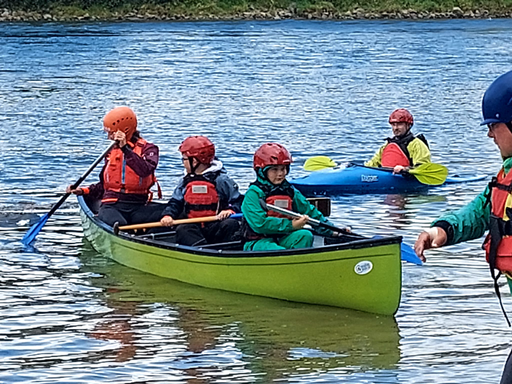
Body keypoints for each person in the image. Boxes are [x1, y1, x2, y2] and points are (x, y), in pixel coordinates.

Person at [413, 70, 512, 384]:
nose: (490, 135)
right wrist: (439, 231)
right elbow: (480, 211)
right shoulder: (507, 174)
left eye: (494, 126)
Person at [67, 106, 162, 227]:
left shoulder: (148, 149)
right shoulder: (111, 151)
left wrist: (125, 149)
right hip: (112, 205)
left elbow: (145, 170)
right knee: (119, 223)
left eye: (111, 133)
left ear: (124, 130)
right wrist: (83, 191)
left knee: (171, 212)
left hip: (138, 205)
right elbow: (104, 185)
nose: (109, 137)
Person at [242, 142, 337, 251]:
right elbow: (260, 224)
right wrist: (291, 225)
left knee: (304, 235)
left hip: (283, 236)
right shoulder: (253, 194)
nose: (280, 174)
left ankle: (298, 264)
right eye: (274, 169)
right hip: (258, 242)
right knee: (273, 249)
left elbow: (310, 211)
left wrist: (332, 230)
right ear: (262, 171)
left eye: (283, 169)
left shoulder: (289, 191)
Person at [160, 136, 242, 246]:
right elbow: (175, 202)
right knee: (182, 230)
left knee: (231, 224)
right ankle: (200, 250)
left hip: (216, 225)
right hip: (193, 226)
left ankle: (225, 250)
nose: (183, 163)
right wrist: (168, 215)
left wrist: (230, 210)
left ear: (194, 161)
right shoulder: (185, 181)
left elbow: (239, 201)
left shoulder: (221, 180)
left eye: (184, 159)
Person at [364, 108, 431, 174]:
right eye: (393, 125)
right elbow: (372, 164)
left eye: (399, 124)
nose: (395, 128)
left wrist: (405, 169)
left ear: (408, 125)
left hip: (408, 180)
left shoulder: (417, 144)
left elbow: (423, 168)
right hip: (388, 177)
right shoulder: (388, 144)